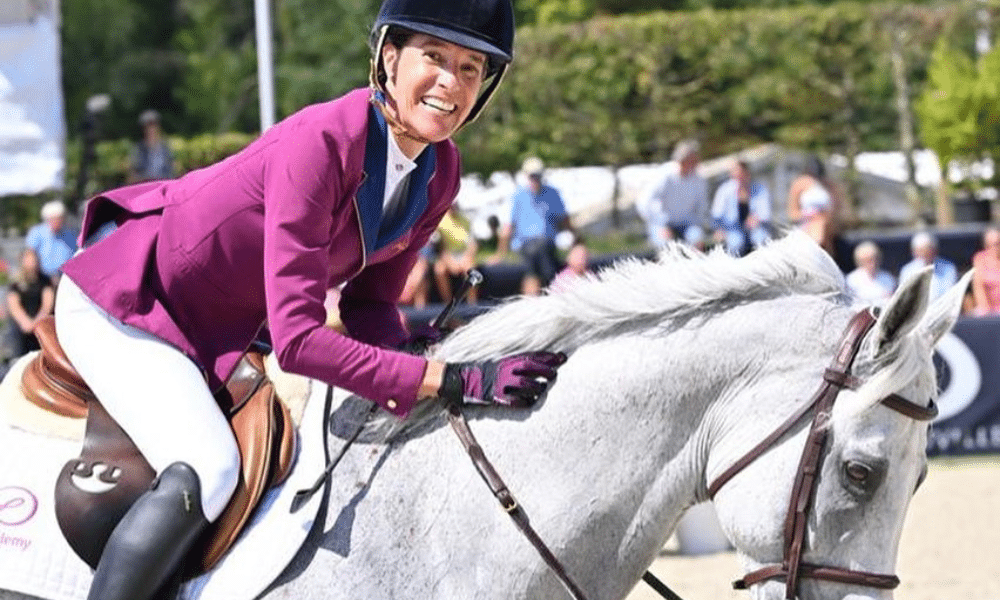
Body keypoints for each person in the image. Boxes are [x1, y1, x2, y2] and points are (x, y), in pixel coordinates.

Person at [52, 3, 565, 599]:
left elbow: (370, 306)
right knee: (211, 467)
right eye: (435, 57)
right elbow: (296, 340)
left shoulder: (440, 170)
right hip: (131, 303)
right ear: (389, 58)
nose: (452, 82)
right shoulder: (322, 141)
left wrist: (419, 359)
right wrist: (449, 379)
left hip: (219, 329)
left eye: (471, 67)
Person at [492, 156, 575, 295]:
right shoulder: (518, 196)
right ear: (526, 176)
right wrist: (500, 254)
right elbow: (508, 227)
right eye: (532, 175)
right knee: (538, 265)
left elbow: (564, 220)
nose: (535, 178)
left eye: (537, 175)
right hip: (527, 246)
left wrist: (576, 241)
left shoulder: (552, 193)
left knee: (539, 262)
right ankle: (542, 295)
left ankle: (541, 295)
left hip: (547, 245)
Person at [636, 139, 709, 250]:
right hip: (662, 223)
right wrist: (659, 223)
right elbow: (645, 201)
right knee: (665, 246)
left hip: (687, 223)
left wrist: (699, 223)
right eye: (693, 160)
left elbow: (702, 205)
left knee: (698, 240)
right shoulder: (664, 174)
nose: (696, 163)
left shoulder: (698, 179)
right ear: (684, 159)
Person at [710, 159, 771, 256]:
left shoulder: (760, 189)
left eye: (741, 173)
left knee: (761, 240)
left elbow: (765, 214)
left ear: (747, 173)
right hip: (732, 229)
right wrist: (718, 229)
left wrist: (757, 219)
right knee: (736, 244)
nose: (739, 176)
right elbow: (716, 214)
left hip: (755, 229)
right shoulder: (724, 190)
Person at [5, 248, 55, 359]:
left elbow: (47, 304)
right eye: (29, 260)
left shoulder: (45, 281)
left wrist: (37, 323)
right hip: (22, 328)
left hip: (40, 326)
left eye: (34, 260)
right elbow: (14, 305)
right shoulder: (16, 283)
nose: (32, 263)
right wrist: (25, 323)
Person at [787, 155, 838, 254]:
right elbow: (792, 214)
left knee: (820, 226)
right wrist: (810, 215)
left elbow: (835, 210)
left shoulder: (828, 185)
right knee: (816, 229)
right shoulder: (799, 184)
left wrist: (822, 217)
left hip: (826, 225)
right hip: (805, 224)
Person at [431, 205, 479, 303]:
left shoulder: (465, 220)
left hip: (463, 256)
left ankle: (472, 303)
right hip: (447, 257)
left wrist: (466, 258)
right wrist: (449, 261)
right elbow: (439, 248)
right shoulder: (439, 223)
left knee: (470, 269)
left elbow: (473, 245)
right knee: (439, 269)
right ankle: (448, 303)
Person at [24, 200, 78, 281]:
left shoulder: (71, 234)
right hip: (43, 277)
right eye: (55, 219)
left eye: (60, 218)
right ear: (48, 219)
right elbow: (30, 253)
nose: (58, 221)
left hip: (66, 277)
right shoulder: (37, 232)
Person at [898, 231, 957, 301]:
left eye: (927, 250)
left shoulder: (949, 268)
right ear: (914, 252)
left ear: (935, 250)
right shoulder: (907, 271)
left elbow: (951, 294)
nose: (924, 254)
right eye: (921, 251)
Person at [128, 109, 175, 182]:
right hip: (145, 186)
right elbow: (132, 175)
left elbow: (172, 171)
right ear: (143, 128)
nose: (151, 129)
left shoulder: (165, 148)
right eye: (148, 125)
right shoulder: (138, 149)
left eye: (154, 125)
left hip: (163, 186)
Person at [845, 241, 896, 305]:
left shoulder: (888, 278)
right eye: (868, 260)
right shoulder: (852, 280)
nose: (873, 263)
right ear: (860, 261)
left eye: (875, 259)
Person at [971, 226, 1000, 315]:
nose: (996, 247)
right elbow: (978, 287)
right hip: (987, 310)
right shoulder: (980, 259)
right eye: (993, 244)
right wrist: (988, 312)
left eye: (998, 243)